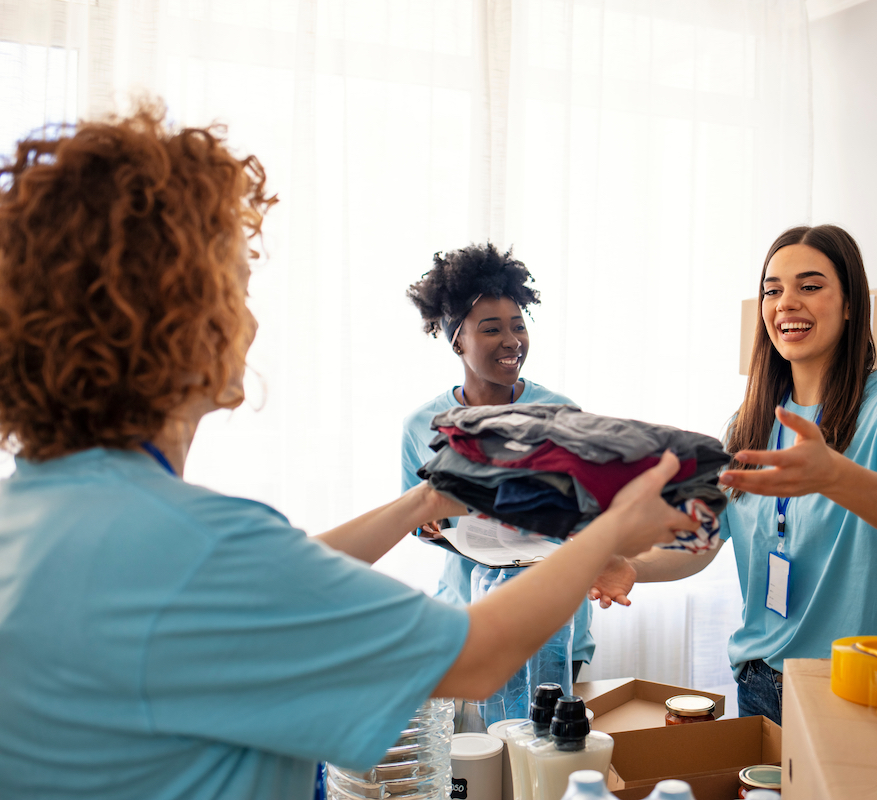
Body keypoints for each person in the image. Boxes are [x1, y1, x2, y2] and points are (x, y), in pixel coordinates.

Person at [0, 104, 697, 800]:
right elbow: (476, 657)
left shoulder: (33, 520)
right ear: (183, 323)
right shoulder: (201, 546)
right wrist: (616, 527)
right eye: (233, 286)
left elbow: (275, 575)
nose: (249, 317)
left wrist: (429, 498)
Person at [590, 224, 877, 725]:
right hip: (760, 681)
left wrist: (833, 476)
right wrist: (632, 566)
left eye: (811, 286)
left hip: (857, 686)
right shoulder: (751, 420)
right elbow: (704, 537)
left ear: (849, 305)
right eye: (772, 290)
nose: (786, 303)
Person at [402, 245, 595, 679]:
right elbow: (415, 520)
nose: (512, 341)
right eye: (491, 329)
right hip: (469, 621)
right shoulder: (421, 425)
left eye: (518, 326)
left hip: (554, 622)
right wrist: (428, 527)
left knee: (548, 744)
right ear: (457, 341)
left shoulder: (562, 414)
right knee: (479, 746)